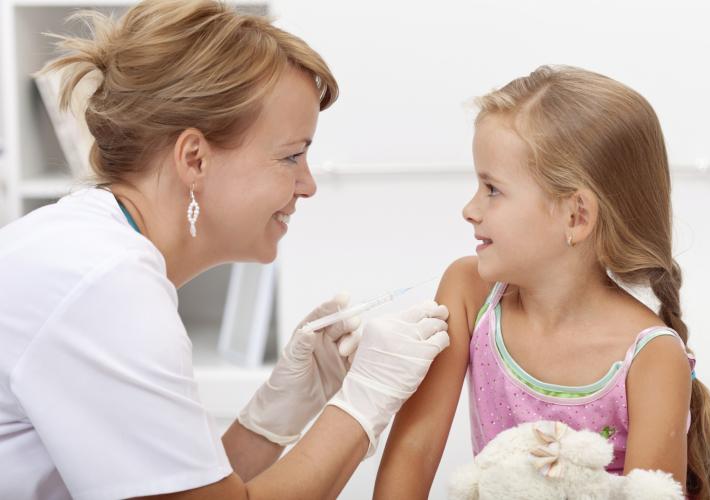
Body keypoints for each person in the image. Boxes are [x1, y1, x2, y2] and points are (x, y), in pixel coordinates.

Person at [0, 1, 450, 499]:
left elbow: (186, 490)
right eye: (291, 156)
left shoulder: (91, 249)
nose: (307, 185)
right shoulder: (105, 285)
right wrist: (363, 403)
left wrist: (276, 413)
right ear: (195, 158)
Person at [373, 65, 710, 500]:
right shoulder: (469, 291)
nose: (470, 209)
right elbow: (414, 451)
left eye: (492, 189)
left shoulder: (651, 358)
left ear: (575, 216)